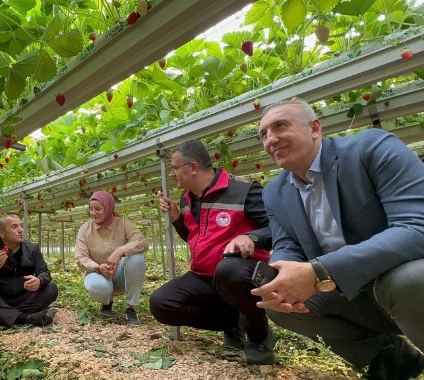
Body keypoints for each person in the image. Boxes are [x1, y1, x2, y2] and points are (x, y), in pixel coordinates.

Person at [252, 98, 424, 379]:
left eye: (280, 126)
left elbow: (417, 226)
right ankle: (391, 355)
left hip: (406, 285)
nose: (271, 139)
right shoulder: (275, 192)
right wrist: (282, 270)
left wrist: (321, 270)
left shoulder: (371, 148)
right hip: (356, 294)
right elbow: (287, 243)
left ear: (315, 128)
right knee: (283, 306)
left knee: (406, 281)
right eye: (264, 134)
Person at [150, 139, 275, 364]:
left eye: (175, 168)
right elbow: (194, 238)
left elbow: (276, 228)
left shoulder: (244, 190)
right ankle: (231, 322)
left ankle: (258, 335)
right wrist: (177, 218)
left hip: (239, 273)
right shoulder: (186, 199)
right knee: (161, 304)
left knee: (228, 270)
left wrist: (251, 237)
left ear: (194, 168)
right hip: (203, 275)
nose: (172, 173)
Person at [0, 214, 58, 329]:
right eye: (15, 227)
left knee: (51, 288)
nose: (21, 230)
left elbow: (44, 272)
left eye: (21, 226)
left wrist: (39, 280)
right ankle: (25, 318)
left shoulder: (32, 249)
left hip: (25, 298)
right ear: (1, 233)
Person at [75, 191, 148, 325]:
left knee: (137, 258)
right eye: (91, 209)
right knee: (96, 286)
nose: (93, 213)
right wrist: (98, 267)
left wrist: (120, 251)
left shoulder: (123, 223)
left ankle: (130, 308)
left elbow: (142, 242)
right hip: (97, 273)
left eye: (98, 209)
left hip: (119, 272)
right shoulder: (84, 229)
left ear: (108, 208)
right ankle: (106, 302)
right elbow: (80, 258)